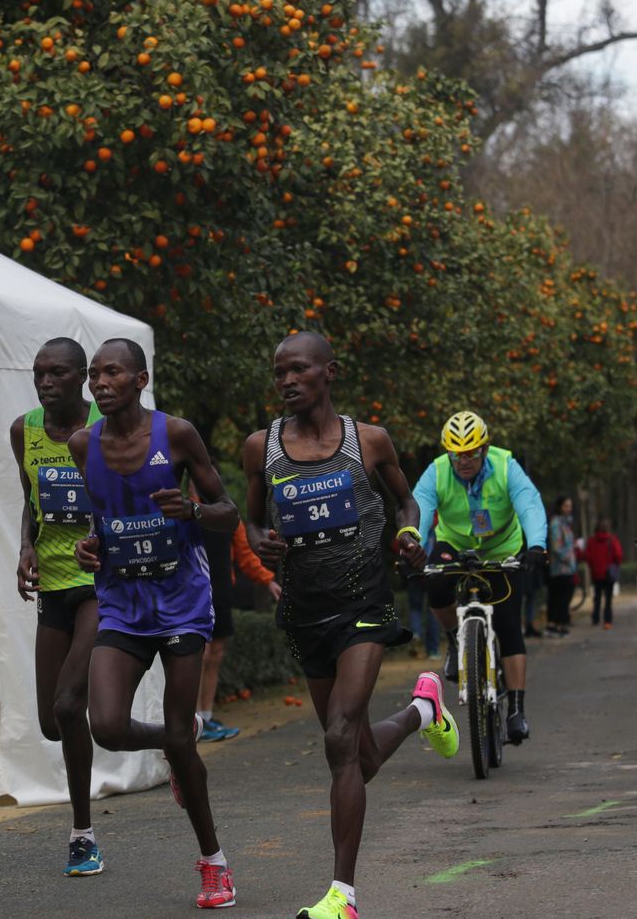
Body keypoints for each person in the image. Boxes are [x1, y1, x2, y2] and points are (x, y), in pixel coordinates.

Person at [242, 332, 457, 919]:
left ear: (329, 372)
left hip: (363, 601)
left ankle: (344, 895)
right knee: (357, 756)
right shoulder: (261, 448)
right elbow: (252, 521)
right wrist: (261, 541)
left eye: (299, 370)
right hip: (305, 611)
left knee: (339, 737)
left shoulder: (369, 441)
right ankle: (421, 712)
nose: (287, 381)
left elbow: (407, 504)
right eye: (279, 372)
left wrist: (410, 536)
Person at [68, 338, 240, 910]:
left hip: (182, 599)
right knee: (107, 727)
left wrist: (192, 511)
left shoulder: (178, 435)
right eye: (94, 374)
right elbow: (101, 520)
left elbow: (227, 512)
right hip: (121, 599)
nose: (100, 382)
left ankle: (213, 862)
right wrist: (90, 547)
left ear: (140, 379)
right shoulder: (81, 443)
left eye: (112, 372)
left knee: (176, 732)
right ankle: (174, 743)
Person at [10, 338, 105, 876]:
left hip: (100, 584)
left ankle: (83, 834)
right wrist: (25, 546)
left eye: (58, 374)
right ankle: (171, 739)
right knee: (52, 722)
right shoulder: (24, 430)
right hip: (53, 587)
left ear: (83, 379)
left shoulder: (103, 427)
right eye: (39, 374)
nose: (46, 383)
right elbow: (29, 498)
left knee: (72, 705)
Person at [411, 410, 547, 744]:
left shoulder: (505, 465)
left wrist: (538, 545)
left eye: (471, 452)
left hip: (502, 547)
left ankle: (516, 710)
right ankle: (457, 639)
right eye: (457, 454)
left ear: (484, 449)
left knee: (508, 623)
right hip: (454, 544)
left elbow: (529, 504)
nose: (464, 460)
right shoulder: (438, 472)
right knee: (436, 583)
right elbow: (420, 507)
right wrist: (410, 544)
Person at [195, 513, 281, 742]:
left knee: (215, 654)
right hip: (192, 592)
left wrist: (268, 580)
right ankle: (193, 723)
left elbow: (245, 555)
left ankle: (207, 716)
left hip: (221, 589)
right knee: (199, 656)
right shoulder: (182, 510)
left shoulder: (228, 515)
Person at [546, 497, 578, 636]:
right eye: (566, 506)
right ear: (559, 507)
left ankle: (559, 623)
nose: (568, 509)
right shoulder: (556, 523)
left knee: (564, 596)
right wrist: (568, 559)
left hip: (568, 567)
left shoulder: (567, 523)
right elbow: (557, 546)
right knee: (559, 597)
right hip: (560, 568)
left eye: (570, 506)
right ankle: (554, 624)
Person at [585, 518, 624, 628]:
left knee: (597, 597)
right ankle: (607, 619)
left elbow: (588, 557)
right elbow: (618, 556)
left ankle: (595, 617)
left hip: (596, 573)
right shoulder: (612, 540)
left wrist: (593, 566)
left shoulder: (591, 541)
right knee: (608, 598)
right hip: (608, 574)